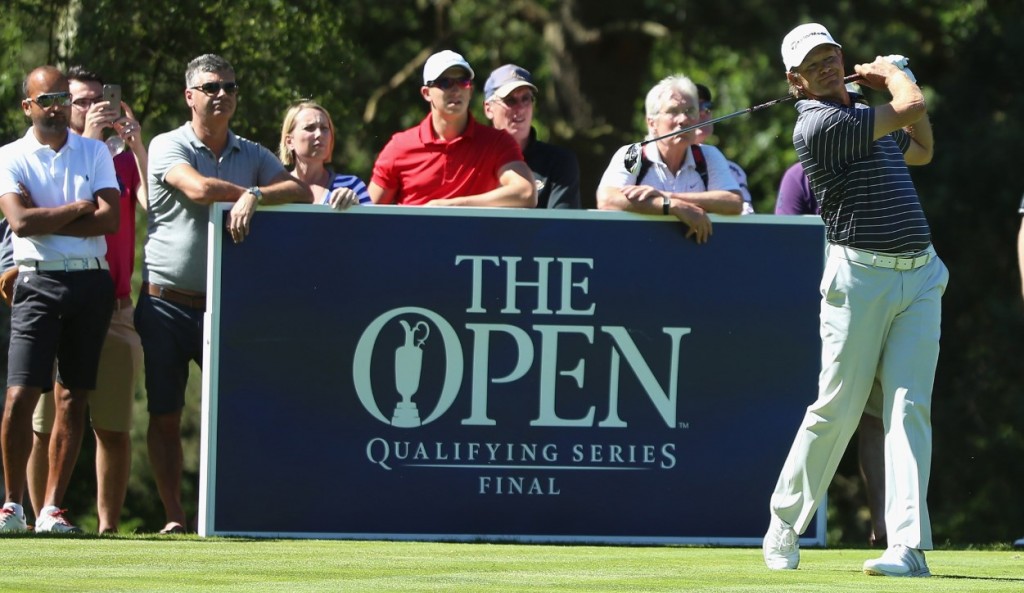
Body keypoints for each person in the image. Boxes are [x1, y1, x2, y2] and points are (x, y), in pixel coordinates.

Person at [762, 23, 946, 577]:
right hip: (858, 280)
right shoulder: (820, 125)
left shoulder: (864, 110)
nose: (826, 67)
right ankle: (784, 524)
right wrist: (897, 76)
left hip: (920, 274)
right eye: (812, 64)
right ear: (795, 80)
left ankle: (907, 547)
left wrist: (897, 84)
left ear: (841, 57)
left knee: (909, 406)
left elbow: (922, 150)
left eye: (830, 56)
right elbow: (909, 107)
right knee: (837, 409)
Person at [139, 54, 311, 534]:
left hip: (226, 306)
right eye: (212, 87)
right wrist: (250, 190)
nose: (223, 95)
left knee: (236, 414)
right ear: (189, 95)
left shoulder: (251, 152)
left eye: (230, 88)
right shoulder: (167, 144)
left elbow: (299, 191)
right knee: (165, 414)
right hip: (165, 302)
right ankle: (174, 517)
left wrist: (257, 195)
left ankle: (220, 515)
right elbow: (196, 189)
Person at [17, 66, 147, 534]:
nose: (93, 108)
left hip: (112, 304)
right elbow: (24, 220)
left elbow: (150, 210)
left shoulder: (118, 160)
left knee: (111, 426)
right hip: (51, 294)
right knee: (42, 423)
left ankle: (108, 528)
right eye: (81, 101)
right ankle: (38, 519)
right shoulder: (36, 155)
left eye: (100, 100)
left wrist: (135, 147)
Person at [0, 66, 120, 533]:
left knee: (73, 396)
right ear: (28, 106)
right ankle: (12, 505)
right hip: (36, 282)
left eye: (60, 98)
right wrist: (76, 207)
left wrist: (43, 215)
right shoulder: (10, 155)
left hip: (90, 281)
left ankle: (51, 509)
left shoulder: (94, 151)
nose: (55, 105)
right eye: (45, 98)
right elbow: (20, 224)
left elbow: (109, 220)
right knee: (20, 395)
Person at [774, 158, 888, 548]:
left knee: (879, 416)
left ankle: (888, 531)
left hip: (878, 305)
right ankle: (785, 524)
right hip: (825, 313)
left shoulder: (882, 165)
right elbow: (788, 247)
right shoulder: (800, 175)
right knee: (831, 412)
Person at [368, 50, 537, 207]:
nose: (456, 90)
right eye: (445, 82)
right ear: (426, 93)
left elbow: (526, 192)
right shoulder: (399, 146)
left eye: (463, 81)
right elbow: (368, 212)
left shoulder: (497, 142)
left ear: (470, 91)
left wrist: (454, 206)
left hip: (474, 240)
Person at [595, 74, 743, 244]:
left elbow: (734, 202)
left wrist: (668, 195)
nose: (684, 120)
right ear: (652, 123)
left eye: (690, 111)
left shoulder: (709, 155)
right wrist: (671, 206)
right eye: (673, 111)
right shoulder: (633, 153)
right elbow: (607, 199)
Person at [482, 64, 580, 209]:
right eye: (510, 100)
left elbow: (562, 227)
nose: (520, 108)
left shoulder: (559, 161)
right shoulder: (472, 159)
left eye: (526, 98)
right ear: (488, 109)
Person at [279, 101, 368, 210]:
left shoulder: (352, 185)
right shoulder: (275, 188)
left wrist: (357, 207)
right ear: (289, 142)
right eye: (309, 128)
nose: (319, 134)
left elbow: (375, 225)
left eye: (324, 128)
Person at [694, 83, 755, 214]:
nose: (703, 113)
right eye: (693, 108)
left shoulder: (732, 170)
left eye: (706, 107)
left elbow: (746, 219)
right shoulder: (646, 164)